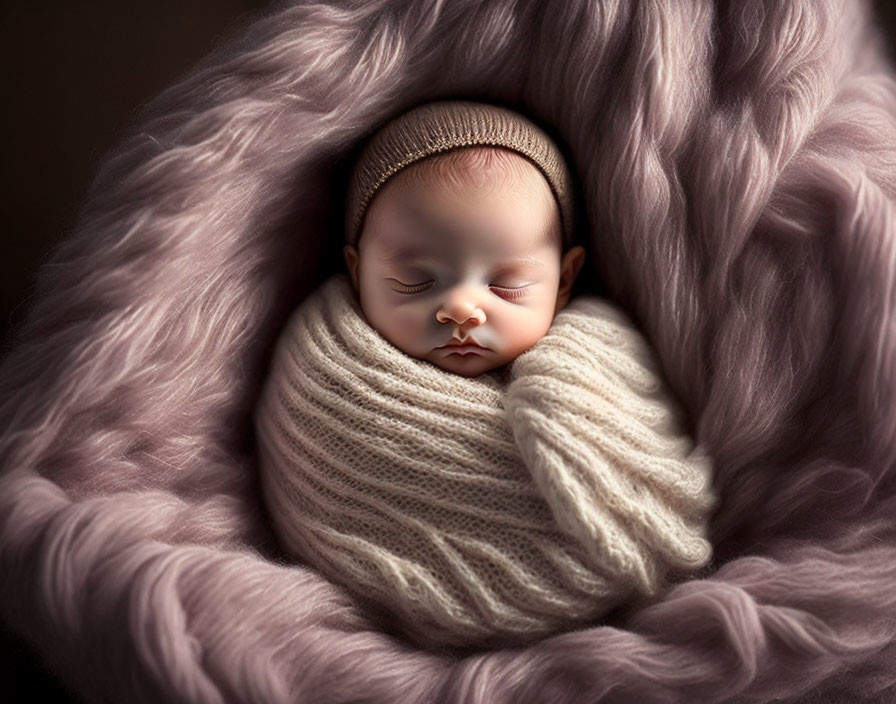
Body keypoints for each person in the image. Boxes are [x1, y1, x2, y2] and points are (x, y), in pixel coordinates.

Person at [342, 100, 586, 377]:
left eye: (507, 286)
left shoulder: (584, 358)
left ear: (563, 280)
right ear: (358, 274)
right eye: (413, 282)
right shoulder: (329, 347)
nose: (461, 309)